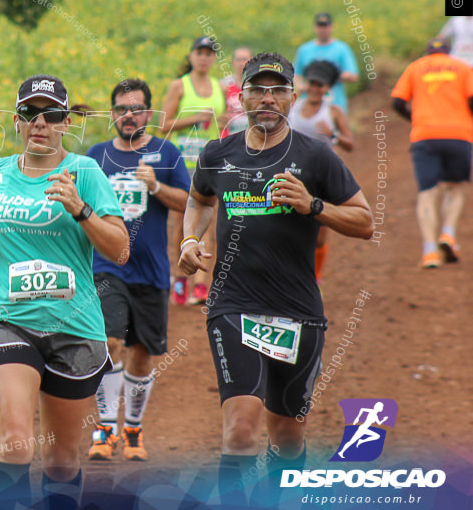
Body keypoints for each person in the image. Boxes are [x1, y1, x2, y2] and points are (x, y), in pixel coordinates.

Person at [179, 52, 374, 506]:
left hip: (298, 310)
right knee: (241, 431)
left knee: (286, 437)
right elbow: (200, 199)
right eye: (257, 90)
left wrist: (313, 206)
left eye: (277, 90)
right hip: (232, 305)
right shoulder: (217, 151)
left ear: (291, 96)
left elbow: (365, 222)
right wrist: (190, 241)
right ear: (241, 97)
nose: (267, 99)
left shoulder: (315, 156)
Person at [0, 74, 129, 510]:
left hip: (75, 327)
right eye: (30, 113)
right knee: (16, 444)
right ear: (16, 121)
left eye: (51, 114)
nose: (40, 122)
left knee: (59, 460)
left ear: (66, 122)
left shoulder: (84, 171)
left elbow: (120, 248)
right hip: (7, 320)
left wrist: (80, 209)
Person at [83, 78, 190, 463]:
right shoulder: (95, 156)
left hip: (151, 271)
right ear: (112, 113)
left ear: (148, 113)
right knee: (109, 345)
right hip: (106, 268)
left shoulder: (167, 152)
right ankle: (105, 428)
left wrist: (157, 186)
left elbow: (190, 202)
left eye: (136, 109)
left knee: (141, 355)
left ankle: (133, 429)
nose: (128, 116)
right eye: (121, 110)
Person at [390, 38, 473, 269]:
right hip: (459, 134)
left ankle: (429, 251)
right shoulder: (462, 67)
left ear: (428, 52)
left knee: (427, 193)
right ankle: (447, 233)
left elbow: (397, 102)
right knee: (455, 188)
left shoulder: (416, 67)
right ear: (447, 52)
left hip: (425, 135)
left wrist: (414, 120)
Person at [161, 36, 226, 305]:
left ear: (213, 59)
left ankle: (202, 284)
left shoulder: (219, 87)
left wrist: (221, 121)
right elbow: (163, 124)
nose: (204, 57)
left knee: (208, 222)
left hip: (209, 162)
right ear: (191, 56)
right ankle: (179, 280)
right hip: (181, 163)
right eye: (199, 52)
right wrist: (194, 118)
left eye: (209, 53)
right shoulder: (179, 85)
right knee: (180, 222)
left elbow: (223, 123)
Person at [288, 60, 354, 283]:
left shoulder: (333, 112)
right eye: (312, 84)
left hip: (322, 176)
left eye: (320, 85)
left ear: (327, 88)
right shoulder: (293, 108)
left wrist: (333, 134)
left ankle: (314, 278)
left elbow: (350, 144)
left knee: (320, 232)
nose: (315, 89)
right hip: (293, 173)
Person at [294, 12, 359, 113]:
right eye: (320, 26)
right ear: (315, 27)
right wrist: (302, 86)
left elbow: (353, 75)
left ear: (331, 27)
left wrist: (330, 75)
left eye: (325, 26)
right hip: (308, 104)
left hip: (334, 103)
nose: (323, 30)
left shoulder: (342, 49)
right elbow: (296, 74)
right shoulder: (304, 50)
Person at [219, 47, 252, 138]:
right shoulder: (223, 85)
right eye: (238, 60)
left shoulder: (257, 87)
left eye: (245, 59)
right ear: (233, 63)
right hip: (228, 137)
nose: (241, 63)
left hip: (250, 136)